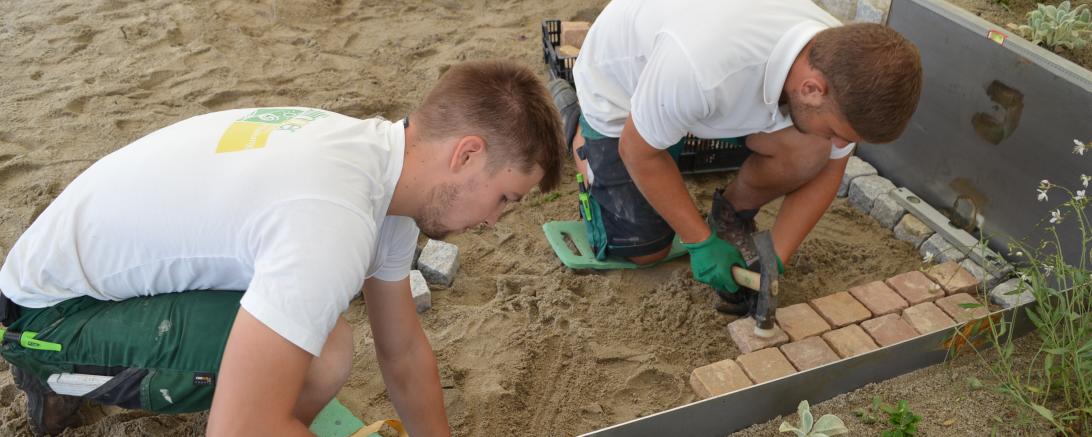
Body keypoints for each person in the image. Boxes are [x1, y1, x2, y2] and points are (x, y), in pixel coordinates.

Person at [0, 60, 565, 436]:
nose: (494, 221)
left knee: (315, 347)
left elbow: (403, 352)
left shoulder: (381, 168)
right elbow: (238, 430)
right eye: (505, 198)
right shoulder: (334, 217)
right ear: (466, 154)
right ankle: (49, 376)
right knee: (321, 357)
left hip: (92, 273)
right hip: (46, 315)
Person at [551, 0, 922, 313]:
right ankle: (578, 128)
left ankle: (731, 213)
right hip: (622, 96)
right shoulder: (703, 66)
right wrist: (699, 241)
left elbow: (830, 169)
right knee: (646, 249)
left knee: (814, 147)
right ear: (811, 89)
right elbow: (638, 151)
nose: (841, 142)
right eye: (839, 130)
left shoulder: (835, 59)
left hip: (693, 100)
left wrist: (776, 256)